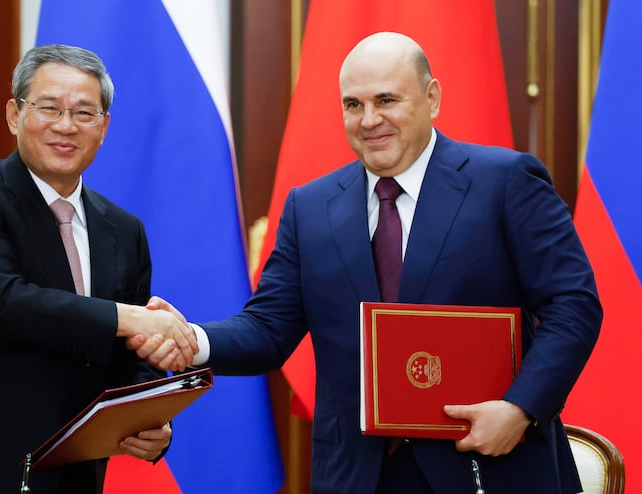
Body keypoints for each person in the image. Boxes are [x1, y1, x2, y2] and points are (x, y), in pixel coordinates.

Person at [142, 32, 602, 493]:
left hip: (486, 463)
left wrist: (520, 409)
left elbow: (574, 306)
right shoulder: (310, 207)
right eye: (353, 104)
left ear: (432, 98)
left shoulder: (505, 182)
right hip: (358, 476)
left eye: (386, 100)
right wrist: (191, 340)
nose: (369, 120)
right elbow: (268, 329)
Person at [0, 44, 197, 494]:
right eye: (49, 107)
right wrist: (132, 317)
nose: (65, 125)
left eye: (84, 112)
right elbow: (4, 304)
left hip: (70, 475)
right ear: (15, 115)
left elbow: (128, 357)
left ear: (104, 126)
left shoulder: (124, 230)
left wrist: (151, 417)